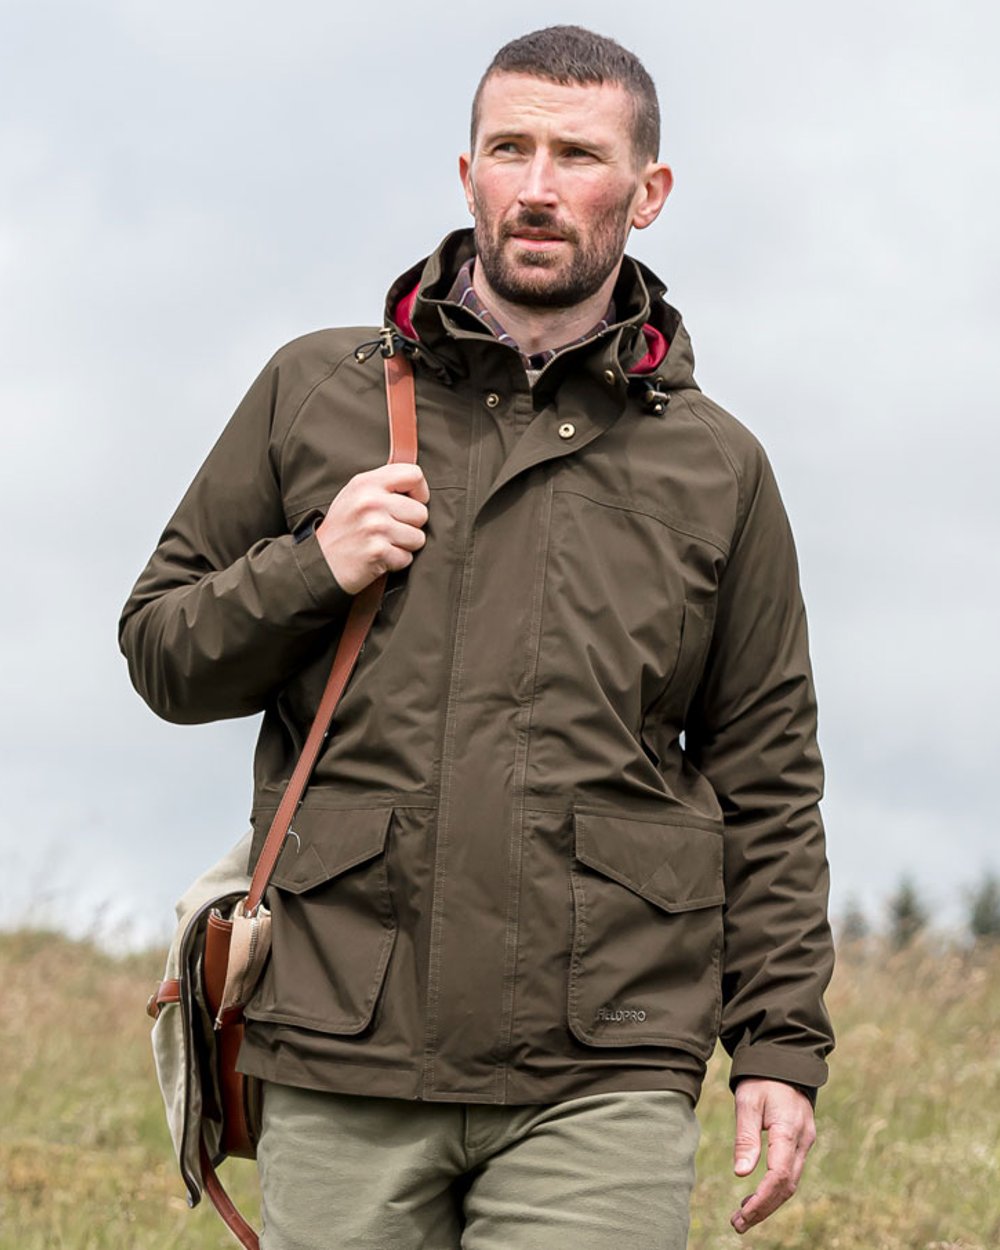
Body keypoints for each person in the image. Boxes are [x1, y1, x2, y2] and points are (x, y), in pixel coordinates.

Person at [120, 25, 834, 1250]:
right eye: (510, 148)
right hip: (343, 1034)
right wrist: (313, 564)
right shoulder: (313, 389)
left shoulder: (719, 465)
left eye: (577, 154)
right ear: (467, 175)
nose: (539, 186)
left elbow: (766, 776)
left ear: (647, 192)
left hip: (604, 1054)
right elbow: (162, 651)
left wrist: (777, 1041)